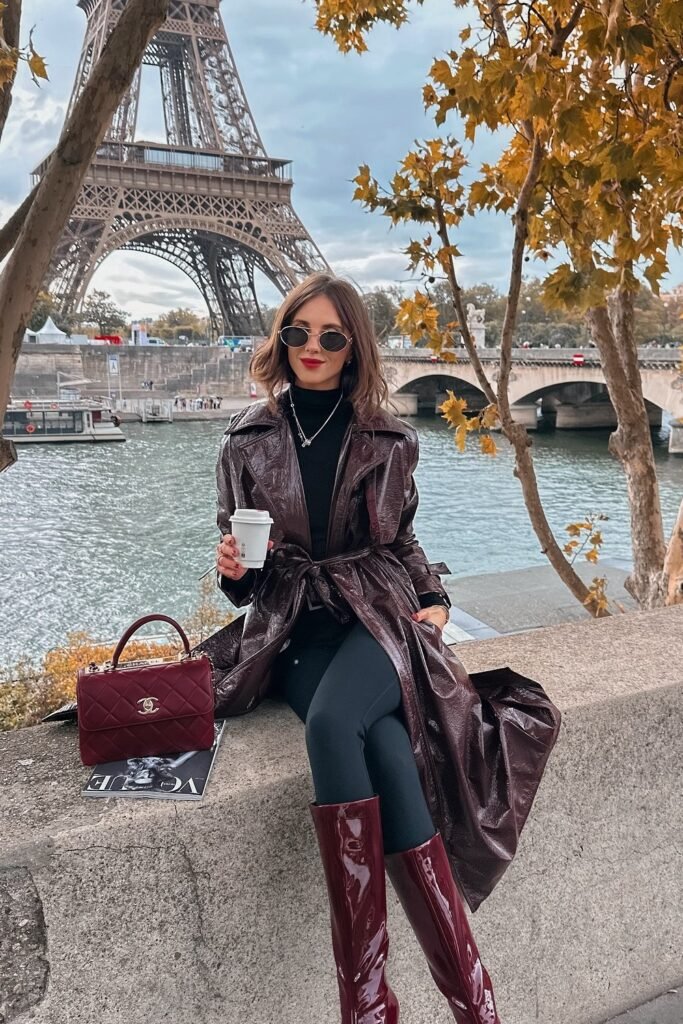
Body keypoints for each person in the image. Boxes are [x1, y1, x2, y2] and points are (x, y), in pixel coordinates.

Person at [197, 273, 561, 1024]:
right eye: (298, 332)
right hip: (295, 628)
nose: (313, 348)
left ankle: (363, 1007)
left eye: (331, 336)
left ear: (353, 346)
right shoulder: (242, 441)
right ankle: (474, 1005)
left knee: (335, 724)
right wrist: (233, 571)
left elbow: (401, 540)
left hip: (378, 617)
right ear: (281, 338)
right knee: (389, 750)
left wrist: (434, 597)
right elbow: (246, 578)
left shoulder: (391, 438)